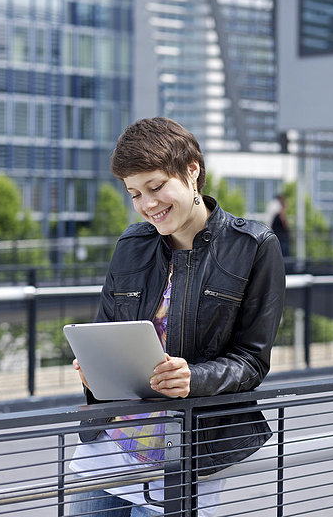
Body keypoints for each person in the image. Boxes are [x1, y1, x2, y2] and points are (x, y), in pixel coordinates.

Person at [68, 117, 285, 516]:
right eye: (134, 193)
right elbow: (103, 331)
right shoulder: (132, 245)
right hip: (107, 449)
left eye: (155, 187)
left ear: (191, 170)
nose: (148, 204)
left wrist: (193, 378)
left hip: (187, 454)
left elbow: (252, 361)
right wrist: (93, 370)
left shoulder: (253, 247)